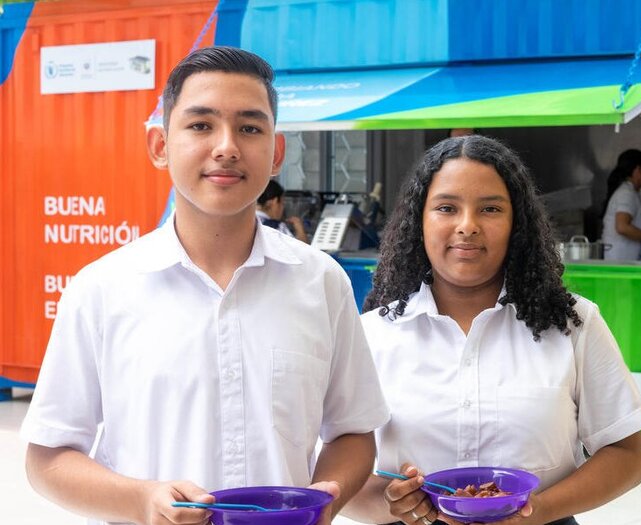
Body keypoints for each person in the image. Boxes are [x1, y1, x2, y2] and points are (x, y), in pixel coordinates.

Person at [21, 46, 389, 525]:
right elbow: (48, 458)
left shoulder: (320, 283)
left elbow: (354, 433)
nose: (227, 147)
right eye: (200, 125)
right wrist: (140, 500)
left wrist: (326, 499)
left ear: (275, 153)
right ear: (160, 146)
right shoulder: (102, 289)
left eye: (250, 128)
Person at [343, 135, 641, 525]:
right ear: (419, 221)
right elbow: (334, 469)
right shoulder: (372, 333)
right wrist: (389, 502)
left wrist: (541, 509)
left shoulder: (574, 323)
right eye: (446, 208)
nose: (467, 226)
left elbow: (627, 456)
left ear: (516, 223)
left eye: (490, 208)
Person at [601, 149, 641, 260]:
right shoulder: (626, 194)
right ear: (638, 170)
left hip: (627, 260)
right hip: (621, 264)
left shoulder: (631, 193)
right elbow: (622, 227)